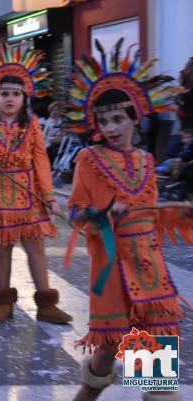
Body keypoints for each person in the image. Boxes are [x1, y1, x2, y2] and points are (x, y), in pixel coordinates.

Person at [62, 40, 191, 401]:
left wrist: (179, 211)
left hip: (150, 268)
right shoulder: (88, 159)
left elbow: (149, 215)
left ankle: (156, 393)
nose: (111, 127)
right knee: (109, 347)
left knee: (156, 352)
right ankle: (89, 391)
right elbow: (75, 212)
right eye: (103, 120)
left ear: (135, 117)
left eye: (118, 118)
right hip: (114, 267)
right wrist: (103, 214)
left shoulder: (148, 162)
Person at [0, 44, 73, 325]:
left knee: (35, 247)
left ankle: (46, 304)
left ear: (25, 98)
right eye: (4, 94)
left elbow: (41, 162)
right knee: (1, 248)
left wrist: (49, 195)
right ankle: (4, 303)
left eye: (15, 94)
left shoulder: (32, 125)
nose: (10, 99)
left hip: (28, 196)